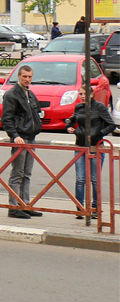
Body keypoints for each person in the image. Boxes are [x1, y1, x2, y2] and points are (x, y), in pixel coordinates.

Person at [0, 64, 43, 219]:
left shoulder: (29, 94)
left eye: (30, 77)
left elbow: (36, 112)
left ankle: (25, 204)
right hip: (20, 138)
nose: (27, 79)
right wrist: (14, 135)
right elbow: (7, 119)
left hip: (31, 137)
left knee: (27, 173)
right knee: (17, 173)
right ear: (19, 76)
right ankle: (14, 206)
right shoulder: (12, 95)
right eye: (24, 76)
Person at [65, 89, 114, 219]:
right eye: (80, 94)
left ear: (92, 95)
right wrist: (69, 127)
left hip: (95, 146)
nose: (82, 97)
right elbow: (71, 120)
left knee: (94, 179)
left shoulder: (100, 107)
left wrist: (97, 134)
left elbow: (111, 125)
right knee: (80, 179)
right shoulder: (79, 107)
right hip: (80, 146)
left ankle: (95, 208)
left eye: (85, 94)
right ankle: (80, 208)